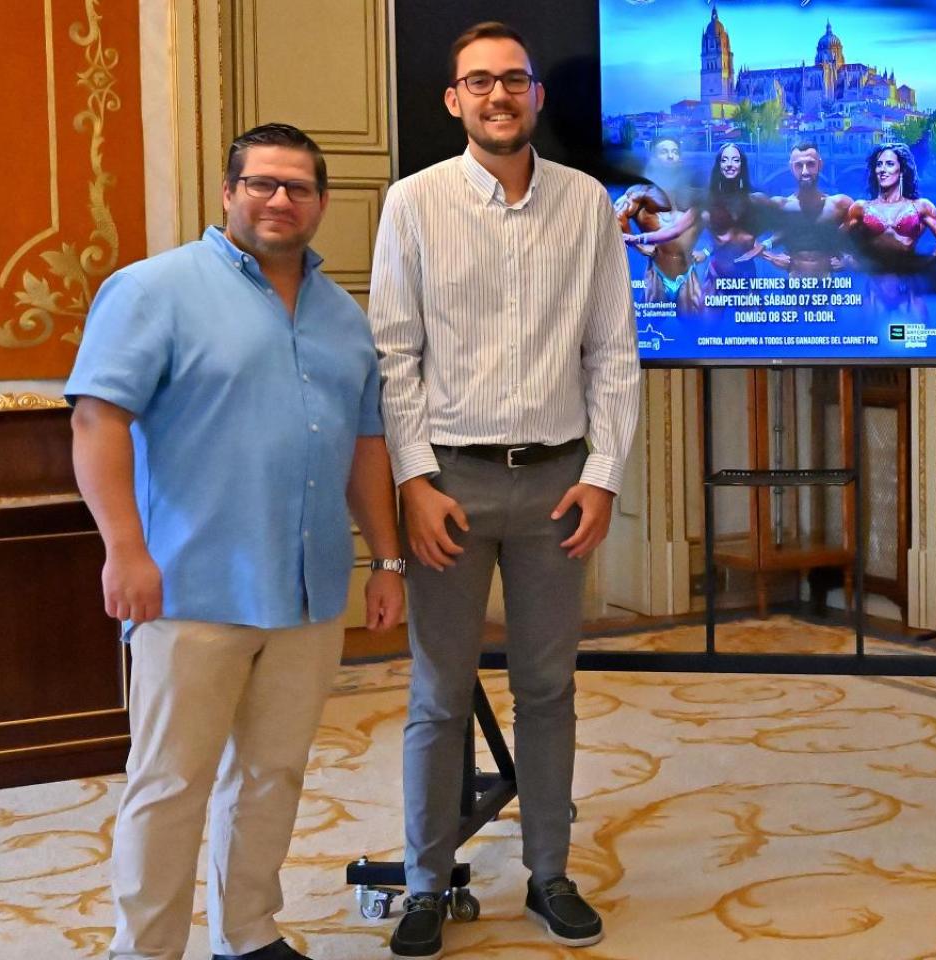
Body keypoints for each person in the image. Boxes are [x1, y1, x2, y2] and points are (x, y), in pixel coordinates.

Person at [67, 122, 405, 960]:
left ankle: (248, 934)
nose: (280, 199)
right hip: (189, 585)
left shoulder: (343, 317)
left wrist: (386, 558)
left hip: (308, 590)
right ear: (228, 193)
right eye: (262, 183)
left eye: (298, 187)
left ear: (322, 202)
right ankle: (143, 950)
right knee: (170, 783)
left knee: (272, 776)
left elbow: (367, 447)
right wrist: (124, 550)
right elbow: (97, 421)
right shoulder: (153, 290)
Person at [367, 21, 641, 958]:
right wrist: (413, 479)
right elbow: (394, 358)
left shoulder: (588, 204)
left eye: (513, 81)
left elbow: (612, 353)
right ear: (454, 101)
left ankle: (549, 874)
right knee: (439, 693)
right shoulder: (411, 203)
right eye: (478, 83)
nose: (497, 96)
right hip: (449, 485)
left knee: (548, 690)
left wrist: (602, 477)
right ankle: (425, 884)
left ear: (535, 96)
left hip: (558, 486)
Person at [844, 141, 936, 316]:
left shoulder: (920, 207)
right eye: (879, 164)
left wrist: (929, 260)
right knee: (868, 336)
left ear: (902, 170)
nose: (882, 169)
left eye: (889, 164)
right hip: (874, 284)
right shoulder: (861, 207)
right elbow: (835, 239)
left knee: (919, 338)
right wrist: (850, 259)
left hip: (908, 282)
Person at [613, 137, 705, 311]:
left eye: (675, 152)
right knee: (648, 330)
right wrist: (639, 247)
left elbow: (726, 223)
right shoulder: (640, 194)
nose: (671, 156)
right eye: (664, 152)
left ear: (680, 160)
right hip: (657, 274)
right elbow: (614, 217)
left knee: (698, 333)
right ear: (654, 160)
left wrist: (707, 252)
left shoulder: (695, 196)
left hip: (688, 275)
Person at [760, 141, 854, 278]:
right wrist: (771, 257)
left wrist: (849, 260)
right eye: (799, 165)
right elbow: (740, 236)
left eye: (810, 164)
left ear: (819, 165)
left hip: (827, 290)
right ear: (791, 168)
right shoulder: (779, 206)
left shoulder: (840, 204)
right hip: (793, 289)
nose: (805, 171)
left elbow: (871, 239)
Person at [698, 142, 769, 290]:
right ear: (718, 165)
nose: (729, 164)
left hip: (746, 277)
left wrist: (765, 245)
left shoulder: (756, 200)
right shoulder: (707, 201)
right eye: (724, 160)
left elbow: (785, 223)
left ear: (742, 164)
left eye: (735, 160)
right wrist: (705, 252)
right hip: (715, 275)